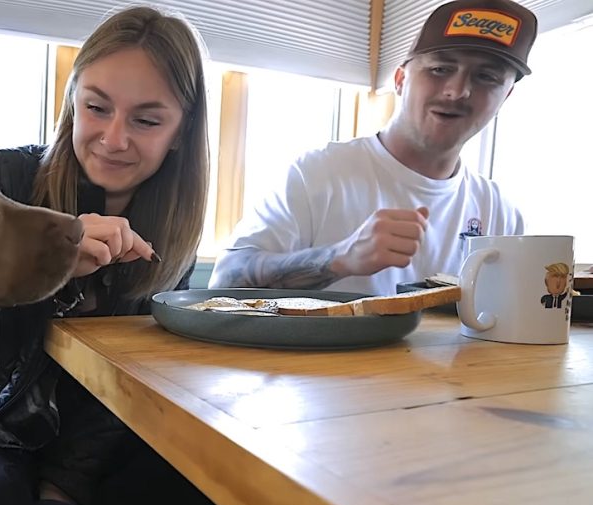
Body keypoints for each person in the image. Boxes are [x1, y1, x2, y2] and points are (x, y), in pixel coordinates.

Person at [0, 6, 216, 505]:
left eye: (146, 120)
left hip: (99, 443)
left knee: (206, 488)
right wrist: (46, 272)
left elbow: (125, 391)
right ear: (72, 102)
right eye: (97, 108)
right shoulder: (6, 180)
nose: (115, 139)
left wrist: (65, 488)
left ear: (182, 131)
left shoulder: (173, 230)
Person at [210, 0, 537, 296]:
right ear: (400, 80)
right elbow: (222, 285)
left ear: (505, 97)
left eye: (487, 77)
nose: (457, 91)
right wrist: (340, 258)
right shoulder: (318, 174)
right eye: (440, 69)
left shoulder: (501, 215)